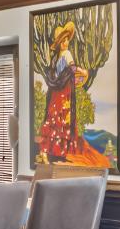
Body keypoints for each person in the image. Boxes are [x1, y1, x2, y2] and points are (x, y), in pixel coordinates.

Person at [36, 21, 109, 167]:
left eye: (67, 39)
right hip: (63, 93)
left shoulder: (60, 56)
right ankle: (56, 152)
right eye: (62, 40)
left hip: (58, 93)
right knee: (61, 119)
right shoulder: (63, 55)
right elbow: (71, 69)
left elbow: (66, 71)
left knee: (56, 119)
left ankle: (53, 151)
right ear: (59, 43)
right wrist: (82, 72)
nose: (65, 42)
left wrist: (80, 73)